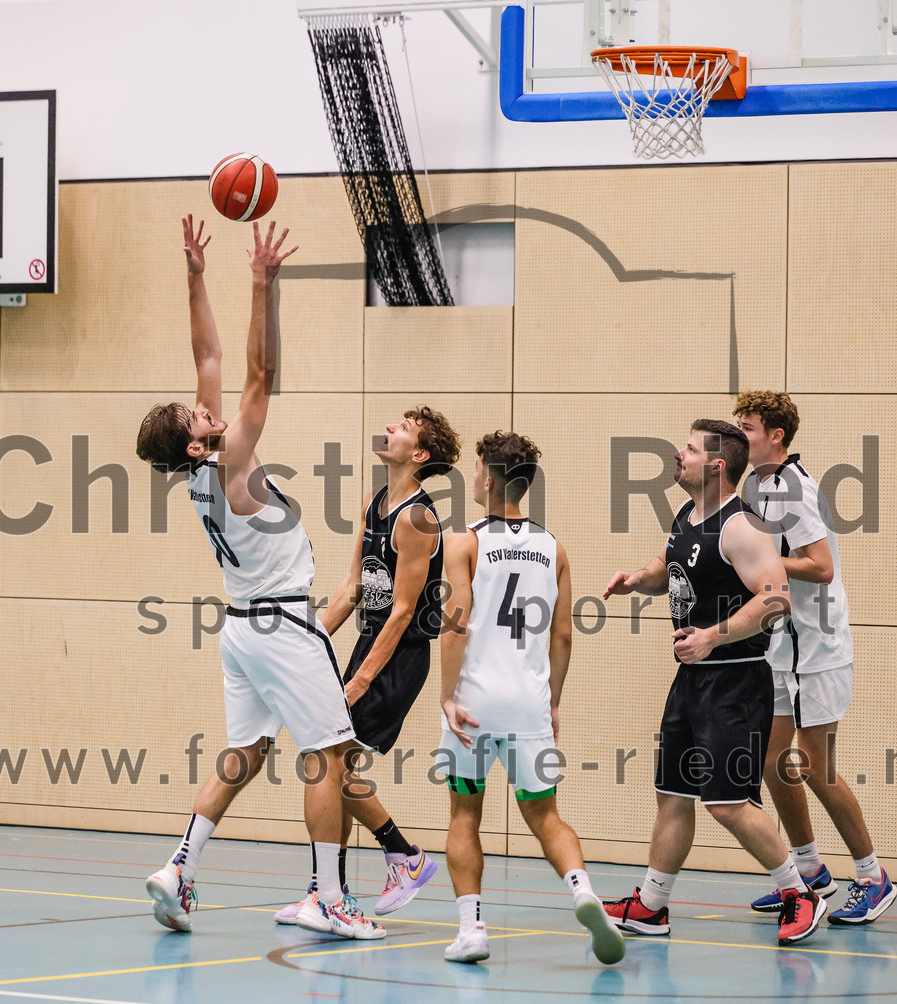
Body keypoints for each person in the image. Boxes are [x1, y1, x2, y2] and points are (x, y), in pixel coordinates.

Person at [135, 216, 383, 940]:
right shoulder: (232, 458)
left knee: (247, 753)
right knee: (329, 756)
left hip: (241, 630)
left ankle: (180, 867)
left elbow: (208, 352)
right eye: (194, 410)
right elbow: (257, 374)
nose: (202, 401)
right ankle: (328, 899)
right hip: (280, 626)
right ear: (195, 437)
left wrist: (194, 278)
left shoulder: (202, 470)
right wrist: (261, 284)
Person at [601, 420, 827, 947]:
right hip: (691, 680)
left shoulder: (741, 527)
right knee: (672, 795)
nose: (677, 455)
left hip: (734, 681)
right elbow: (671, 566)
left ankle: (799, 893)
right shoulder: (687, 515)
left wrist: (713, 637)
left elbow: (775, 600)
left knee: (726, 804)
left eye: (688, 448)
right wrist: (640, 579)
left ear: (717, 464)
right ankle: (651, 906)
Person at [437, 432, 625, 966]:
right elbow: (563, 634)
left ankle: (472, 929)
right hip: (528, 705)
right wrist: (553, 701)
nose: (472, 476)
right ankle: (583, 891)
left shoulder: (465, 542)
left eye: (476, 468)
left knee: (464, 815)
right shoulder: (554, 548)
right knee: (545, 816)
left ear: (490, 479)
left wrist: (447, 697)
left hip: (474, 705)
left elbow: (457, 622)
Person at [273, 405, 459, 924]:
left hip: (397, 658)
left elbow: (402, 611)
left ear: (418, 454)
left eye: (403, 427)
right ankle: (330, 893)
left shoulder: (418, 518)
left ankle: (404, 855)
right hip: (367, 646)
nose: (390, 427)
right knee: (335, 768)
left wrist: (360, 678)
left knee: (325, 765)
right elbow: (352, 588)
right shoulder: (375, 501)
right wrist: (310, 637)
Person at [734, 391, 897, 924]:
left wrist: (765, 560)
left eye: (750, 427)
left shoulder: (791, 487)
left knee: (815, 765)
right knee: (773, 762)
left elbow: (820, 565)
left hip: (818, 647)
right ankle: (808, 871)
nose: (741, 436)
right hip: (784, 646)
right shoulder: (758, 486)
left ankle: (873, 877)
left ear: (777, 435)